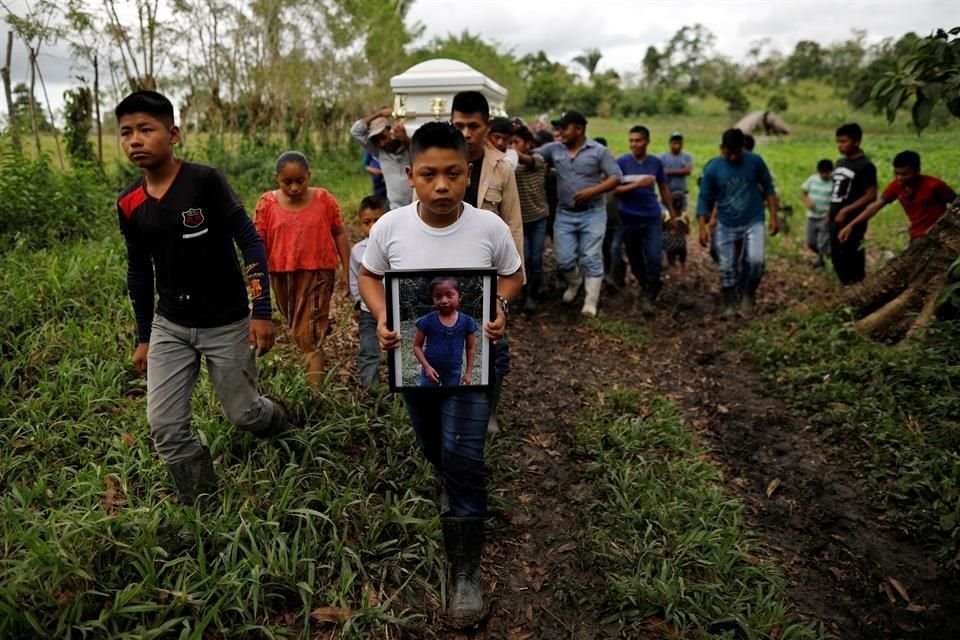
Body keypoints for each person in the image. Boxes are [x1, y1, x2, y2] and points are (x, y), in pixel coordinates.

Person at [358, 122, 522, 628]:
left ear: (468, 172)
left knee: (465, 454)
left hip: (473, 365)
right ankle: (452, 478)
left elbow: (513, 276)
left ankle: (465, 573)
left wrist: (500, 308)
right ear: (410, 176)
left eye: (453, 173)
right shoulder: (389, 228)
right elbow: (368, 274)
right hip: (417, 366)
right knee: (435, 445)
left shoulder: (488, 228)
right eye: (429, 175)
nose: (442, 186)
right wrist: (385, 317)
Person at [115, 90, 287, 504]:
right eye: (125, 132)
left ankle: (278, 419)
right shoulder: (129, 201)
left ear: (172, 134)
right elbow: (139, 271)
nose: (135, 140)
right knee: (165, 424)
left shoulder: (204, 181)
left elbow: (250, 241)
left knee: (243, 414)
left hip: (227, 321)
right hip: (170, 324)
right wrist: (144, 336)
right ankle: (202, 503)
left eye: (145, 129)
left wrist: (260, 310)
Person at [450, 91, 523, 434]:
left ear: (487, 126)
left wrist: (515, 278)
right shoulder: (440, 162)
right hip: (445, 269)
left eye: (473, 126)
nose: (466, 133)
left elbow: (513, 224)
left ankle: (489, 411)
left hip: (489, 273)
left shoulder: (501, 168)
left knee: (495, 342)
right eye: (458, 125)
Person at [254, 151, 350, 392]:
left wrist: (348, 269)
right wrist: (256, 278)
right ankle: (311, 370)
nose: (295, 187)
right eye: (288, 182)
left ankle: (314, 396)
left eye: (300, 181)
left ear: (309, 176)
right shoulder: (267, 203)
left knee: (309, 335)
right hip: (281, 274)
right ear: (277, 178)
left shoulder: (324, 199)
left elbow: (339, 232)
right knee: (296, 327)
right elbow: (257, 242)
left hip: (317, 273)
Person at [537, 110, 622, 317]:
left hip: (593, 212)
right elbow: (533, 155)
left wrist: (593, 191)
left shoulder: (598, 151)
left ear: (579, 129)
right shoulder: (554, 149)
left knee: (591, 256)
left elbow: (616, 177)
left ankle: (590, 302)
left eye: (564, 128)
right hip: (565, 214)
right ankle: (575, 283)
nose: (560, 132)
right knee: (564, 259)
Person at [697, 128, 779, 316]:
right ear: (721, 148)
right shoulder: (713, 167)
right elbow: (703, 198)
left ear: (743, 148)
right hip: (726, 223)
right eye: (728, 152)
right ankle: (729, 301)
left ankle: (749, 293)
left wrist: (774, 216)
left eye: (737, 152)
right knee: (726, 265)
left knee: (756, 261)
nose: (733, 157)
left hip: (754, 220)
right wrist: (702, 227)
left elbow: (768, 188)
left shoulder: (755, 161)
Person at [614, 125, 675, 316]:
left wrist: (672, 214)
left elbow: (664, 189)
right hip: (628, 218)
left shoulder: (655, 163)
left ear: (647, 141)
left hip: (651, 218)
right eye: (631, 140)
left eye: (638, 140)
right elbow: (614, 191)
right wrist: (637, 185)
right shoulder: (621, 163)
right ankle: (646, 285)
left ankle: (649, 294)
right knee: (635, 259)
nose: (634, 144)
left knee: (655, 257)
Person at [838, 150, 956, 247]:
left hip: (941, 237)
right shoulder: (896, 186)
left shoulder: (934, 186)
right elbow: (874, 208)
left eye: (905, 174)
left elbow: (957, 204)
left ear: (917, 170)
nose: (899, 178)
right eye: (897, 173)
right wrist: (851, 225)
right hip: (916, 237)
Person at [829, 123, 877, 285]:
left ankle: (857, 286)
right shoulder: (840, 163)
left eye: (844, 141)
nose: (840, 146)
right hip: (835, 218)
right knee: (836, 255)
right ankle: (846, 286)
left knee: (852, 254)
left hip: (853, 220)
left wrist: (847, 210)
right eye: (838, 142)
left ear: (857, 141)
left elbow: (871, 194)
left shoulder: (865, 166)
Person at [349, 195, 388, 389]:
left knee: (400, 346)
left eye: (378, 220)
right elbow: (355, 280)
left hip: (394, 308)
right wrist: (357, 303)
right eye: (367, 222)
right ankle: (370, 389)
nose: (373, 227)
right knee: (368, 349)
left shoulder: (394, 247)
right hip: (368, 310)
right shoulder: (357, 251)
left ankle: (402, 387)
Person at [510, 125, 550, 311]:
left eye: (516, 142)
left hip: (538, 218)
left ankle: (534, 293)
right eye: (510, 142)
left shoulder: (537, 160)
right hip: (519, 221)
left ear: (528, 144)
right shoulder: (507, 166)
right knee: (522, 257)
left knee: (536, 257)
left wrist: (512, 154)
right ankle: (523, 294)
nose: (512, 146)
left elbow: (529, 160)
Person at [413, 277, 479, 387]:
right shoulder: (427, 320)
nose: (443, 300)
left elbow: (470, 348)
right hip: (429, 371)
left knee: (450, 401)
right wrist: (426, 367)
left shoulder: (467, 322)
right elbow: (416, 346)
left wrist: (468, 373)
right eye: (438, 296)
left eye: (449, 295)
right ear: (432, 298)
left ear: (460, 297)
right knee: (426, 400)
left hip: (453, 372)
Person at [350, 107, 412, 210]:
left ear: (391, 131)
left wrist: (404, 139)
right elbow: (355, 131)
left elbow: (421, 154)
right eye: (376, 140)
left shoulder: (408, 146)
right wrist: (379, 114)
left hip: (418, 208)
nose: (382, 143)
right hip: (396, 210)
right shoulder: (379, 151)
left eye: (383, 137)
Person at [801, 159, 835, 268]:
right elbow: (804, 191)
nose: (824, 175)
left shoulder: (834, 183)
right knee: (811, 242)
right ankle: (825, 254)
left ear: (831, 171)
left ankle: (822, 260)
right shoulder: (812, 179)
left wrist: (829, 216)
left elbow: (835, 201)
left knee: (822, 242)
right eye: (822, 173)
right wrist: (807, 201)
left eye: (827, 173)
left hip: (824, 217)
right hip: (811, 216)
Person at [660, 131, 693, 214]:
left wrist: (670, 171)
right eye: (674, 143)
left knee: (681, 218)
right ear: (670, 144)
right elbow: (661, 172)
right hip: (667, 194)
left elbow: (688, 170)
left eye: (679, 143)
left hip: (682, 193)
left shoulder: (687, 156)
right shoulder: (663, 157)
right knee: (666, 216)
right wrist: (681, 171)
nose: (677, 146)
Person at [663, 191, 690, 279]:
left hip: (670, 244)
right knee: (683, 262)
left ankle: (673, 283)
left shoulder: (665, 215)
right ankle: (684, 279)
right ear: (683, 204)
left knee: (672, 263)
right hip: (681, 244)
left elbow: (661, 228)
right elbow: (687, 231)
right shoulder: (685, 216)